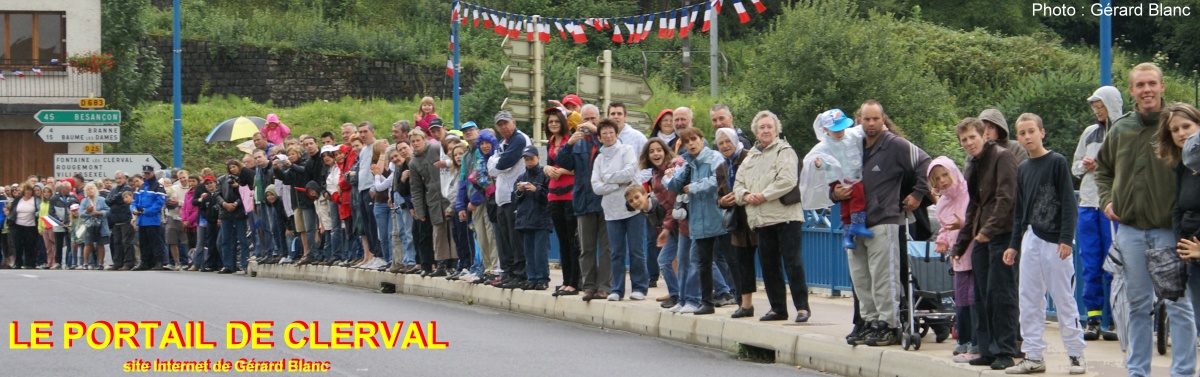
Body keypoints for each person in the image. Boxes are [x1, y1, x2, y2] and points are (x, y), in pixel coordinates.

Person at [1097, 63, 1198, 377]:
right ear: (1131, 91)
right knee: (1138, 306)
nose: (1147, 90)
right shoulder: (1121, 129)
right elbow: (1103, 170)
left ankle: (1182, 372)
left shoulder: (1176, 127)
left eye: (1152, 83)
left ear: (1162, 86)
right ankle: (1137, 371)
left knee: (1179, 306)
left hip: (1169, 232)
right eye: (1140, 85)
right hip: (1129, 231)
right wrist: (1106, 200)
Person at [834, 101, 931, 344]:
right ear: (859, 121)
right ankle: (869, 321)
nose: (871, 124)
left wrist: (918, 194)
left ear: (883, 119)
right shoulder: (851, 145)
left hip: (883, 218)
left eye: (876, 118)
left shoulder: (894, 144)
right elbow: (830, 177)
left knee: (883, 276)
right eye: (866, 119)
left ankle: (888, 324)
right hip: (853, 221)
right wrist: (835, 194)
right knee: (860, 277)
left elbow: (925, 162)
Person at [1000, 113, 1087, 375]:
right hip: (1032, 238)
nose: (1027, 137)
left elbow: (1068, 203)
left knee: (1063, 297)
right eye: (1022, 133)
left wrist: (1065, 238)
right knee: (1028, 298)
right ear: (1018, 137)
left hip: (1055, 241)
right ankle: (1034, 354)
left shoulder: (1057, 162)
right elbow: (1020, 211)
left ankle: (1075, 353)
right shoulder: (1023, 169)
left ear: (1042, 132)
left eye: (1031, 131)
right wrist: (1014, 244)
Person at [951, 117, 1019, 369]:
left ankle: (1006, 350)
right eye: (964, 140)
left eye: (972, 137)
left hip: (1002, 233)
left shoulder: (1002, 157)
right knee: (982, 294)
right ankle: (988, 348)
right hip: (982, 235)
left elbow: (1006, 198)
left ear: (984, 136)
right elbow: (973, 207)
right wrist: (960, 245)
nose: (969, 143)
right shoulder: (973, 164)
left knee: (1001, 293)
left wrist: (989, 230)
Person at [734, 110, 809, 322]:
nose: (766, 130)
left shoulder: (785, 151)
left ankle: (802, 307)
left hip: (786, 217)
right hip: (762, 219)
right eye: (762, 127)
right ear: (755, 131)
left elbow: (787, 180)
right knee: (768, 266)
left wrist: (763, 195)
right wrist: (747, 195)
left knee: (793, 263)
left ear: (776, 130)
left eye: (769, 127)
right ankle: (777, 308)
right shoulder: (750, 158)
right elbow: (738, 186)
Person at [1073, 86, 1123, 341]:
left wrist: (1100, 165)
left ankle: (1115, 319)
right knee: (1090, 262)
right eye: (1094, 106)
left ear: (1112, 104)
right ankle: (1092, 319)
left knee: (1113, 262)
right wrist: (1085, 165)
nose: (1096, 110)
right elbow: (1075, 167)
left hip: (1112, 206)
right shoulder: (1089, 133)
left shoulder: (1123, 131)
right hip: (1087, 204)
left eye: (1100, 106)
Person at [666, 128, 730, 315]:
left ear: (702, 140)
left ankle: (741, 299)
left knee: (731, 260)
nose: (691, 144)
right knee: (701, 262)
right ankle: (704, 302)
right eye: (687, 142)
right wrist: (672, 175)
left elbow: (716, 180)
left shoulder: (714, 157)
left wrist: (694, 187)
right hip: (698, 220)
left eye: (694, 139)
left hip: (719, 218)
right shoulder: (688, 163)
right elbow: (674, 185)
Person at [560, 104, 613, 301]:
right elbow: (563, 162)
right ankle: (589, 285)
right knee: (586, 247)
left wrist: (597, 134)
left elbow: (611, 154)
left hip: (605, 200)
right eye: (586, 119)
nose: (589, 123)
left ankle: (604, 286)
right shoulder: (578, 142)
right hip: (583, 200)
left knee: (607, 248)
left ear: (598, 120)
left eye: (593, 119)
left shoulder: (606, 140)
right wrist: (569, 144)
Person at [592, 118, 648, 301]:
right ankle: (617, 289)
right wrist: (616, 185)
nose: (608, 136)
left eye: (611, 132)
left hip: (632, 208)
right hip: (610, 211)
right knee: (615, 252)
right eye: (604, 133)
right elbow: (596, 186)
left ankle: (639, 287)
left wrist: (607, 178)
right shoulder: (599, 158)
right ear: (599, 137)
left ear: (616, 134)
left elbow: (630, 172)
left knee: (636, 250)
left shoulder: (627, 150)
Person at [927, 156, 977, 362]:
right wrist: (942, 241)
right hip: (958, 258)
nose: (942, 181)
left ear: (953, 172)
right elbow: (945, 227)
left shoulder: (968, 192)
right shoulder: (943, 203)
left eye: (945, 175)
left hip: (974, 253)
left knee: (975, 298)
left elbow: (976, 219)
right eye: (937, 179)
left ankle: (976, 339)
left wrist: (962, 224)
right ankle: (962, 339)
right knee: (962, 299)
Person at [806, 109, 873, 249]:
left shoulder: (850, 135)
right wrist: (819, 165)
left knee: (850, 200)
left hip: (852, 176)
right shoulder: (824, 146)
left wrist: (868, 124)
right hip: (837, 179)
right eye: (836, 130)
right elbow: (818, 162)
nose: (840, 132)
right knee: (851, 197)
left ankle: (850, 230)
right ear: (825, 130)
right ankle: (853, 227)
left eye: (842, 128)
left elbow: (861, 130)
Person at [716, 127, 758, 318]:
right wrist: (723, 201)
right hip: (738, 223)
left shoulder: (750, 158)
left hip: (756, 216)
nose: (725, 145)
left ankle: (778, 305)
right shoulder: (721, 167)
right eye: (721, 143)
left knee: (768, 261)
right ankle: (745, 304)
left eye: (728, 141)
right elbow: (720, 195)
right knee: (741, 264)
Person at [639, 137, 685, 307]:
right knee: (665, 260)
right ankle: (675, 294)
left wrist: (666, 228)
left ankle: (722, 291)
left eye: (659, 150)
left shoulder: (675, 167)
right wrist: (666, 228)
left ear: (665, 151)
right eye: (651, 151)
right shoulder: (656, 178)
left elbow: (675, 202)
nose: (656, 154)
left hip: (683, 221)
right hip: (672, 223)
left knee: (694, 260)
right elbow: (667, 206)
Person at [489, 111, 530, 288]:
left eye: (506, 123)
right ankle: (510, 272)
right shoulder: (502, 143)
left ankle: (521, 274)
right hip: (502, 197)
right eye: (500, 124)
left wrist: (496, 164)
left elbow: (503, 163)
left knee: (516, 238)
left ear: (514, 122)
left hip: (516, 195)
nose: (504, 127)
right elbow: (491, 167)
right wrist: (496, 165)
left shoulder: (520, 139)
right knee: (506, 238)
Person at [543, 110, 581, 295]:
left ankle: (575, 281)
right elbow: (549, 164)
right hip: (554, 195)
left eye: (557, 121)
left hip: (570, 194)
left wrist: (564, 172)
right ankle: (566, 280)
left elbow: (580, 168)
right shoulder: (551, 143)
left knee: (572, 241)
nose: (553, 124)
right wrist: (547, 168)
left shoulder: (571, 140)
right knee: (562, 241)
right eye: (550, 121)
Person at [410, 128, 455, 276]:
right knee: (438, 233)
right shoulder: (413, 162)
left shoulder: (436, 148)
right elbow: (415, 189)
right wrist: (419, 210)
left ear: (424, 139)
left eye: (418, 140)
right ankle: (441, 264)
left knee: (452, 231)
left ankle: (455, 264)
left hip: (448, 194)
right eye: (413, 141)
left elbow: (453, 160)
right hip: (432, 200)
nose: (416, 143)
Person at [1169, 105, 1200, 322]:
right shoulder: (1183, 166)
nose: (1181, 133)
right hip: (1190, 252)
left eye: (1187, 126)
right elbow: (1178, 208)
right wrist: (1182, 245)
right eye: (1175, 129)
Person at [514, 145, 553, 291]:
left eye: (531, 159)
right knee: (529, 252)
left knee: (540, 252)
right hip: (525, 220)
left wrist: (537, 190)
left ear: (538, 158)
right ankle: (532, 278)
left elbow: (549, 197)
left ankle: (542, 278)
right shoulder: (521, 177)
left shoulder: (544, 175)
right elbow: (516, 199)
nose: (529, 162)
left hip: (541, 220)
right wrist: (519, 190)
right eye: (526, 159)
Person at [463, 129, 499, 282]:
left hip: (493, 201)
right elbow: (473, 180)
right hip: (480, 200)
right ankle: (487, 268)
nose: (485, 146)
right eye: (482, 143)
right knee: (482, 237)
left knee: (492, 236)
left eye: (487, 143)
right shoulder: (480, 161)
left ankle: (496, 268)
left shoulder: (498, 157)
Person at [131, 166, 168, 271]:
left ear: (152, 173)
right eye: (145, 173)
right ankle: (145, 262)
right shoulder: (142, 187)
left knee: (156, 242)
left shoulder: (158, 186)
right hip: (142, 220)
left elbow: (159, 203)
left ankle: (159, 261)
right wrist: (133, 209)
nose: (146, 175)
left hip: (152, 220)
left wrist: (146, 211)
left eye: (148, 173)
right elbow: (134, 202)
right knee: (143, 242)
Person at [7, 183, 40, 269]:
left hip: (31, 226)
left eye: (30, 190)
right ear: (23, 191)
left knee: (30, 245)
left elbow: (38, 211)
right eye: (26, 190)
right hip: (17, 226)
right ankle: (18, 263)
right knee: (17, 245)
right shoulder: (18, 199)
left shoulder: (35, 200)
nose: (28, 192)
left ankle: (30, 263)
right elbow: (12, 211)